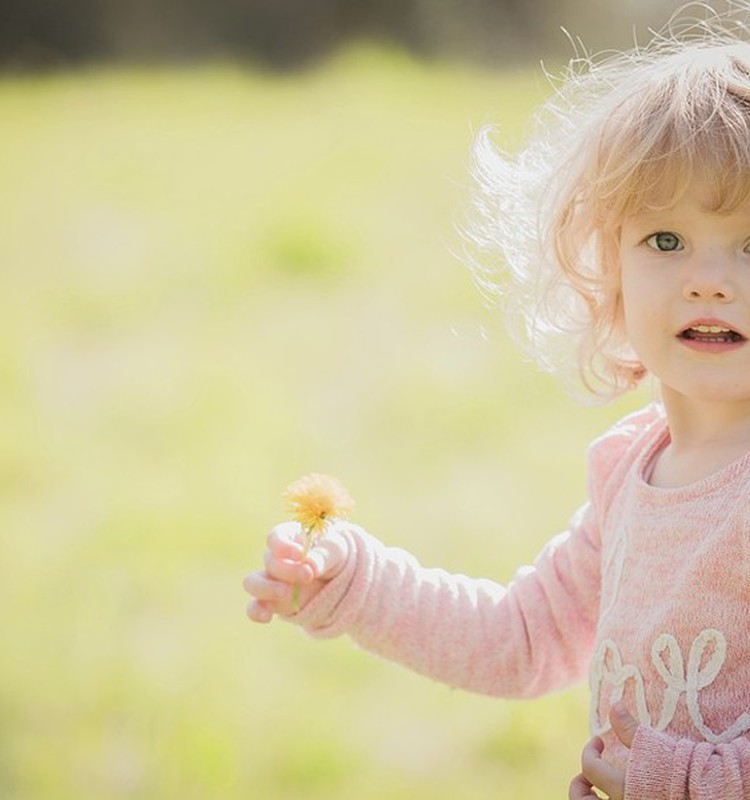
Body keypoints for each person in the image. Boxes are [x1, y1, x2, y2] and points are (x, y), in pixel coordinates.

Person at [244, 4, 750, 797]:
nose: (709, 277)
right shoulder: (631, 471)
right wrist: (359, 582)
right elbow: (524, 638)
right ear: (607, 273)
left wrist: (681, 779)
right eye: (664, 240)